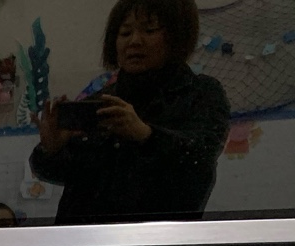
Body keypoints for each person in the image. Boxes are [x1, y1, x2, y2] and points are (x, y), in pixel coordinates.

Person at [30, 0, 229, 225]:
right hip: (81, 240)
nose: (134, 41)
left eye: (149, 30)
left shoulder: (200, 93)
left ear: (177, 36)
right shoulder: (102, 99)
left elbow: (201, 159)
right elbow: (60, 172)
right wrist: (51, 149)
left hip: (159, 240)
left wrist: (146, 135)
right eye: (125, 33)